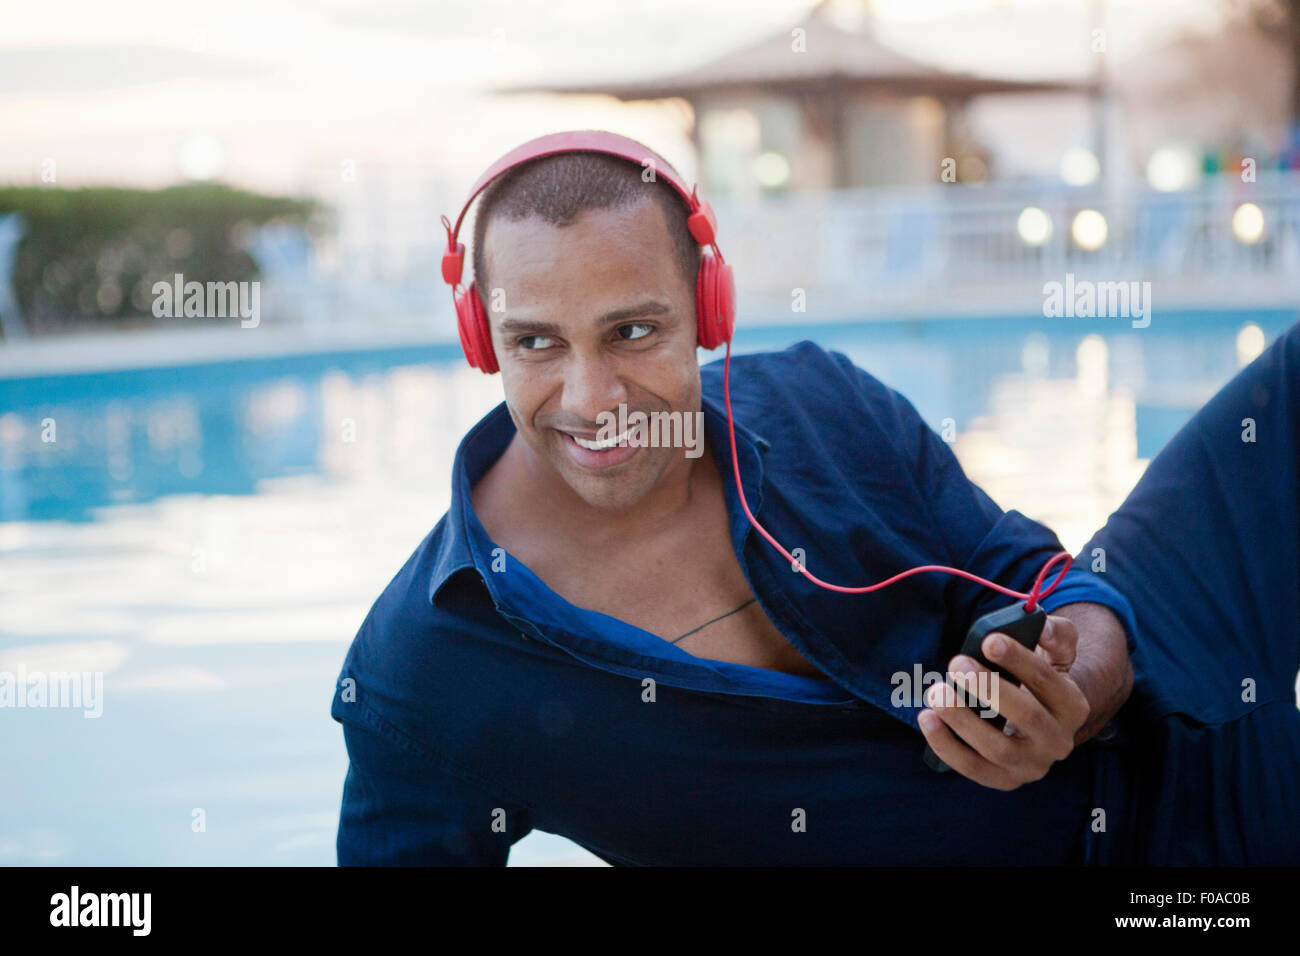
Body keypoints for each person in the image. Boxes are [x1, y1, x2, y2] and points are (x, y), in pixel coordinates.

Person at [328, 131, 1290, 865]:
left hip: (1171, 713)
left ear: (710, 311)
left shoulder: (819, 397)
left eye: (632, 331)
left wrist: (1074, 691)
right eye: (536, 343)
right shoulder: (422, 667)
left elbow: (1047, 579)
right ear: (478, 337)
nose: (592, 401)